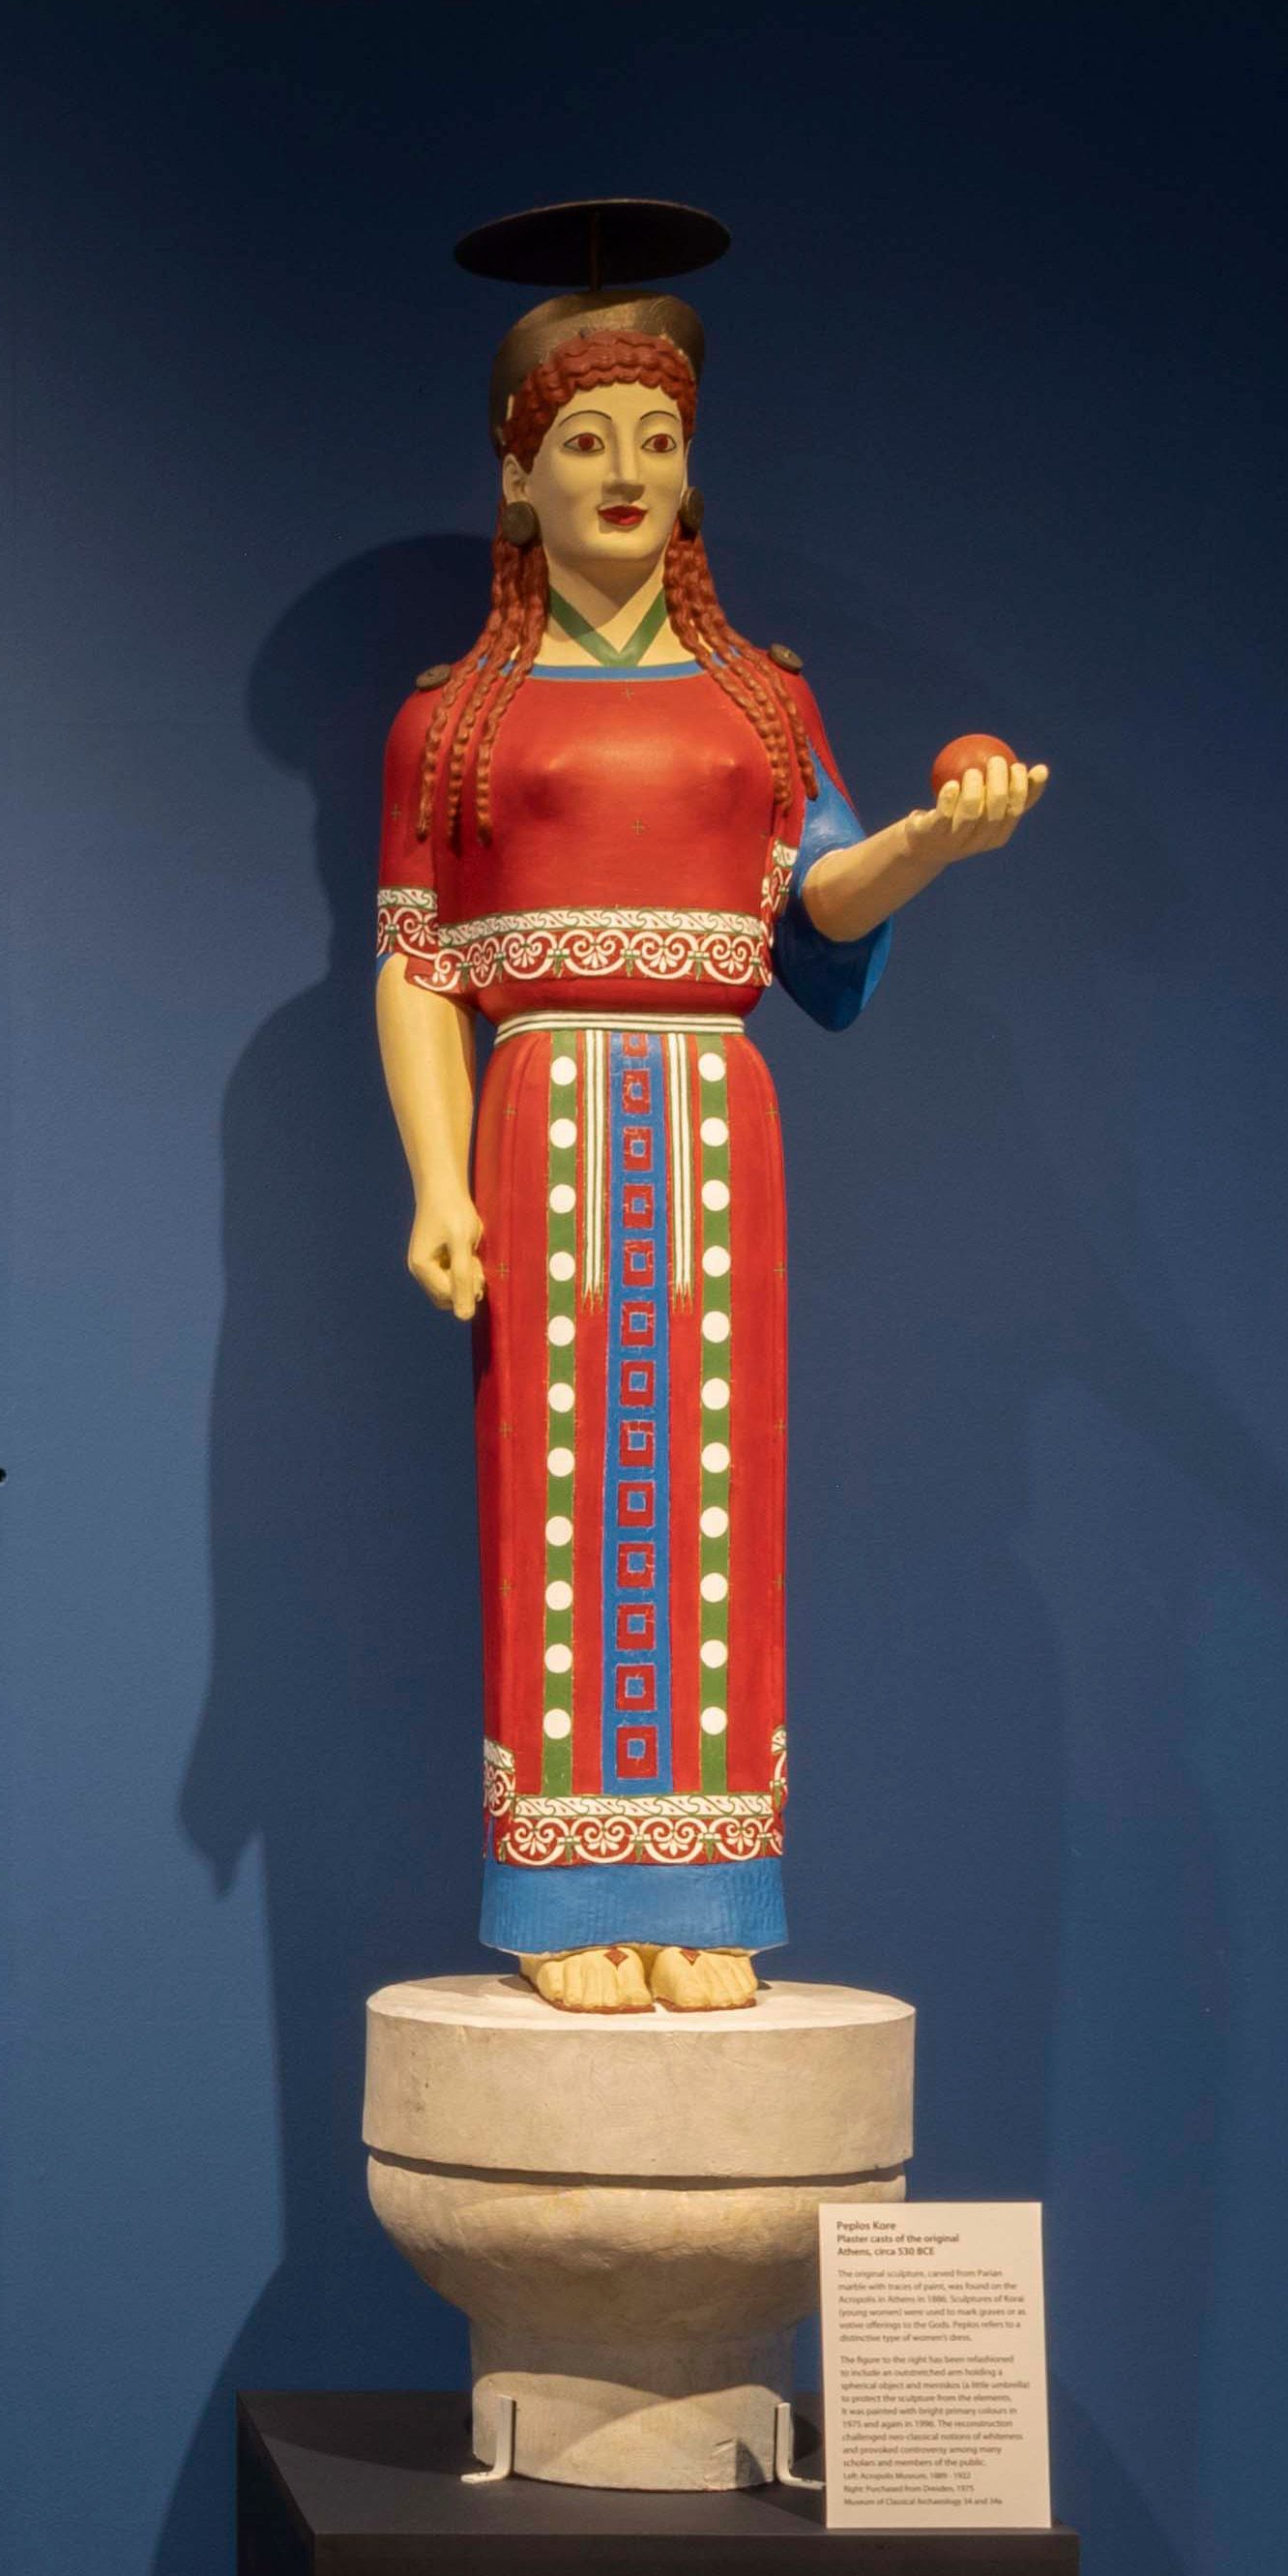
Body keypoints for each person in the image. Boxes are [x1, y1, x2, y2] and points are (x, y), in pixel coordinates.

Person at [374, 247, 1041, 2012]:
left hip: (710, 1125)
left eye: (655, 441)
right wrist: (437, 1178)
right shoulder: (452, 719)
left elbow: (817, 908)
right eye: (584, 440)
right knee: (558, 1493)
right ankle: (563, 1898)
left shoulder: (762, 699)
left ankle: (709, 1893)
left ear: (691, 471)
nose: (624, 473)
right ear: (517, 473)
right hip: (546, 1123)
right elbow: (419, 962)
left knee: (716, 1494)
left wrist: (927, 846)